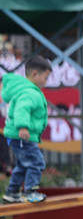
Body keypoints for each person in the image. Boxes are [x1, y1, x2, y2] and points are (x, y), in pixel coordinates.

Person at [2, 55, 51, 203]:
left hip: (19, 136)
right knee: (37, 162)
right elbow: (21, 110)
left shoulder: (27, 90)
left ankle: (12, 192)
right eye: (45, 77)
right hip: (22, 135)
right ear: (35, 74)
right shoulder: (29, 92)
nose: (46, 81)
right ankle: (30, 191)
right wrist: (23, 127)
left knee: (23, 164)